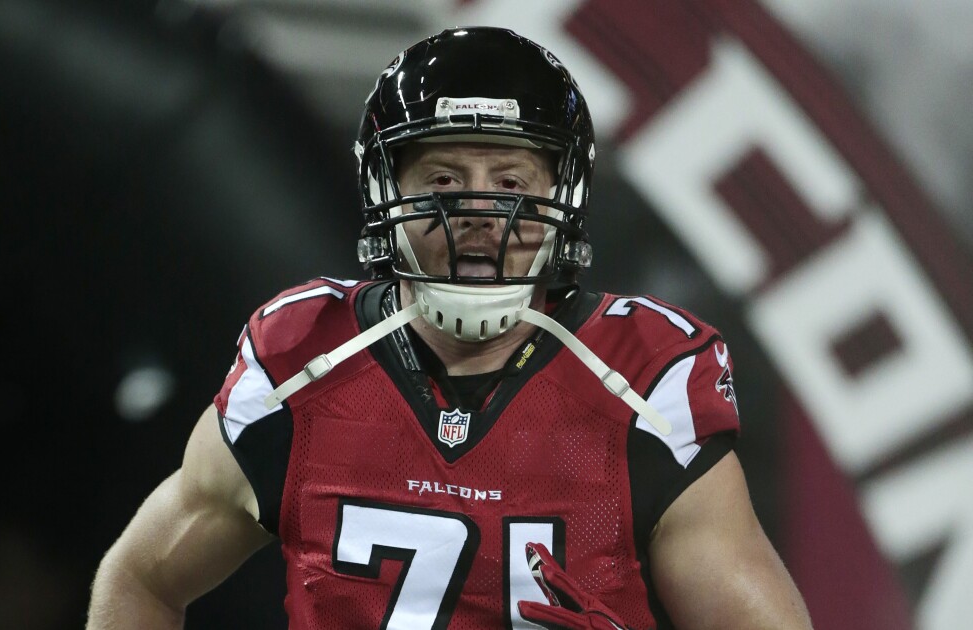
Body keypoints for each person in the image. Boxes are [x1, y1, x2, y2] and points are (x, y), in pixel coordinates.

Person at [87, 27, 813, 629]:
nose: (478, 212)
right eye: (443, 179)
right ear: (386, 189)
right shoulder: (302, 361)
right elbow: (142, 578)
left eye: (510, 182)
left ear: (562, 196)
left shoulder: (641, 382)